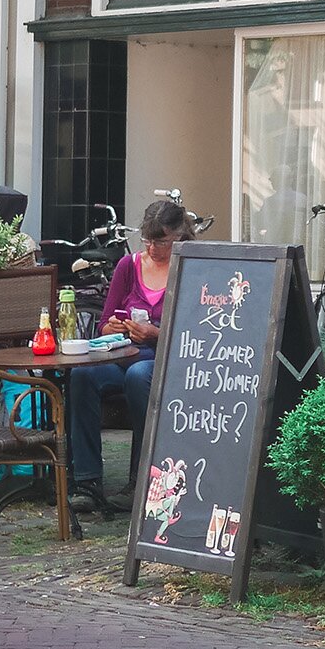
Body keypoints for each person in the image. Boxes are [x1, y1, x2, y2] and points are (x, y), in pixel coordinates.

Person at [67, 198, 189, 509]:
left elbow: (195, 334)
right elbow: (104, 324)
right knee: (82, 375)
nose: (153, 248)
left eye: (161, 242)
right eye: (147, 240)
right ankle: (87, 480)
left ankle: (142, 479)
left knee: (138, 376)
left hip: (166, 362)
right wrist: (115, 327)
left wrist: (156, 334)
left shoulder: (190, 268)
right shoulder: (128, 267)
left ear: (179, 235)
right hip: (125, 355)